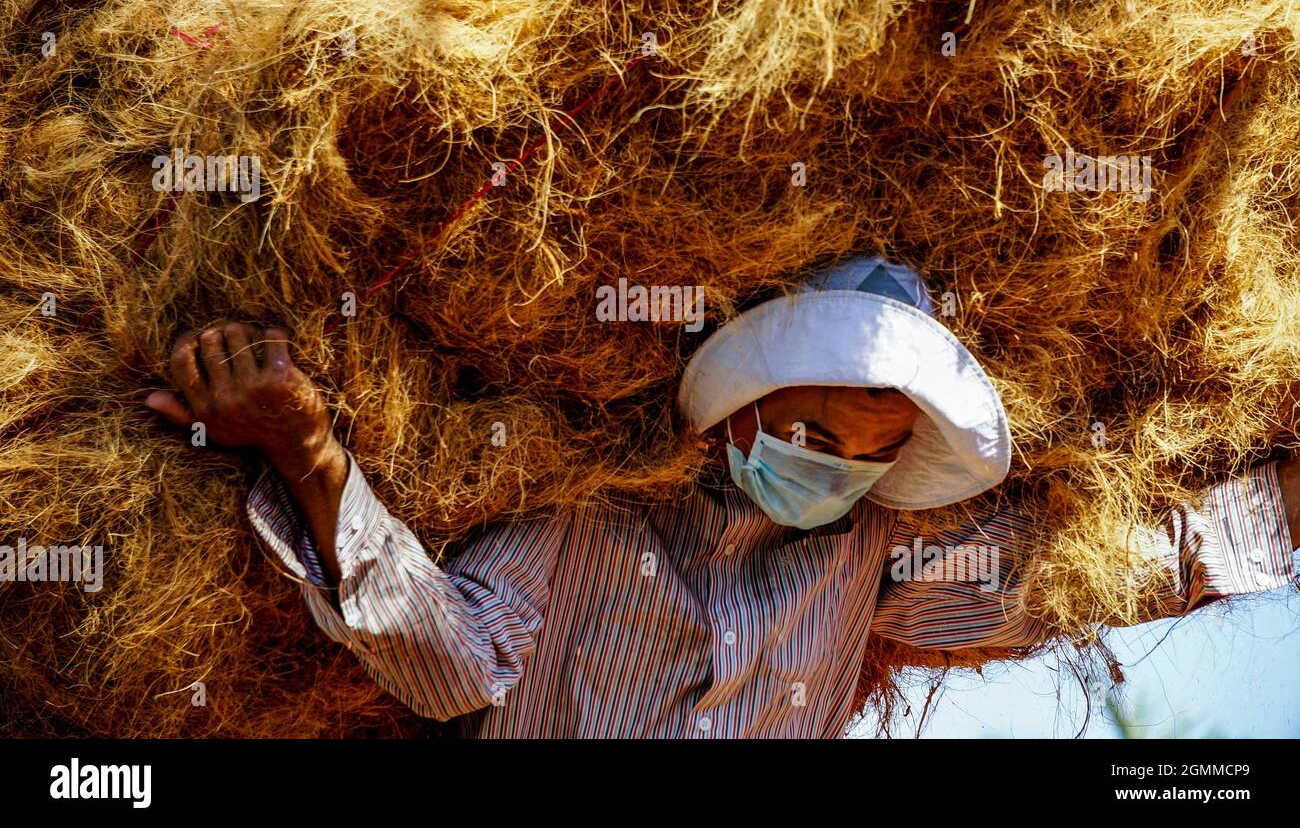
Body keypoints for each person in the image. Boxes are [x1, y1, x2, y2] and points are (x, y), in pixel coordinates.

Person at [144, 255, 1300, 737]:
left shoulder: (868, 561)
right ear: (736, 406)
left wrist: (1284, 509)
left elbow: (1079, 575)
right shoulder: (589, 516)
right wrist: (309, 452)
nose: (829, 469)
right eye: (807, 432)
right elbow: (452, 665)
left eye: (865, 452)